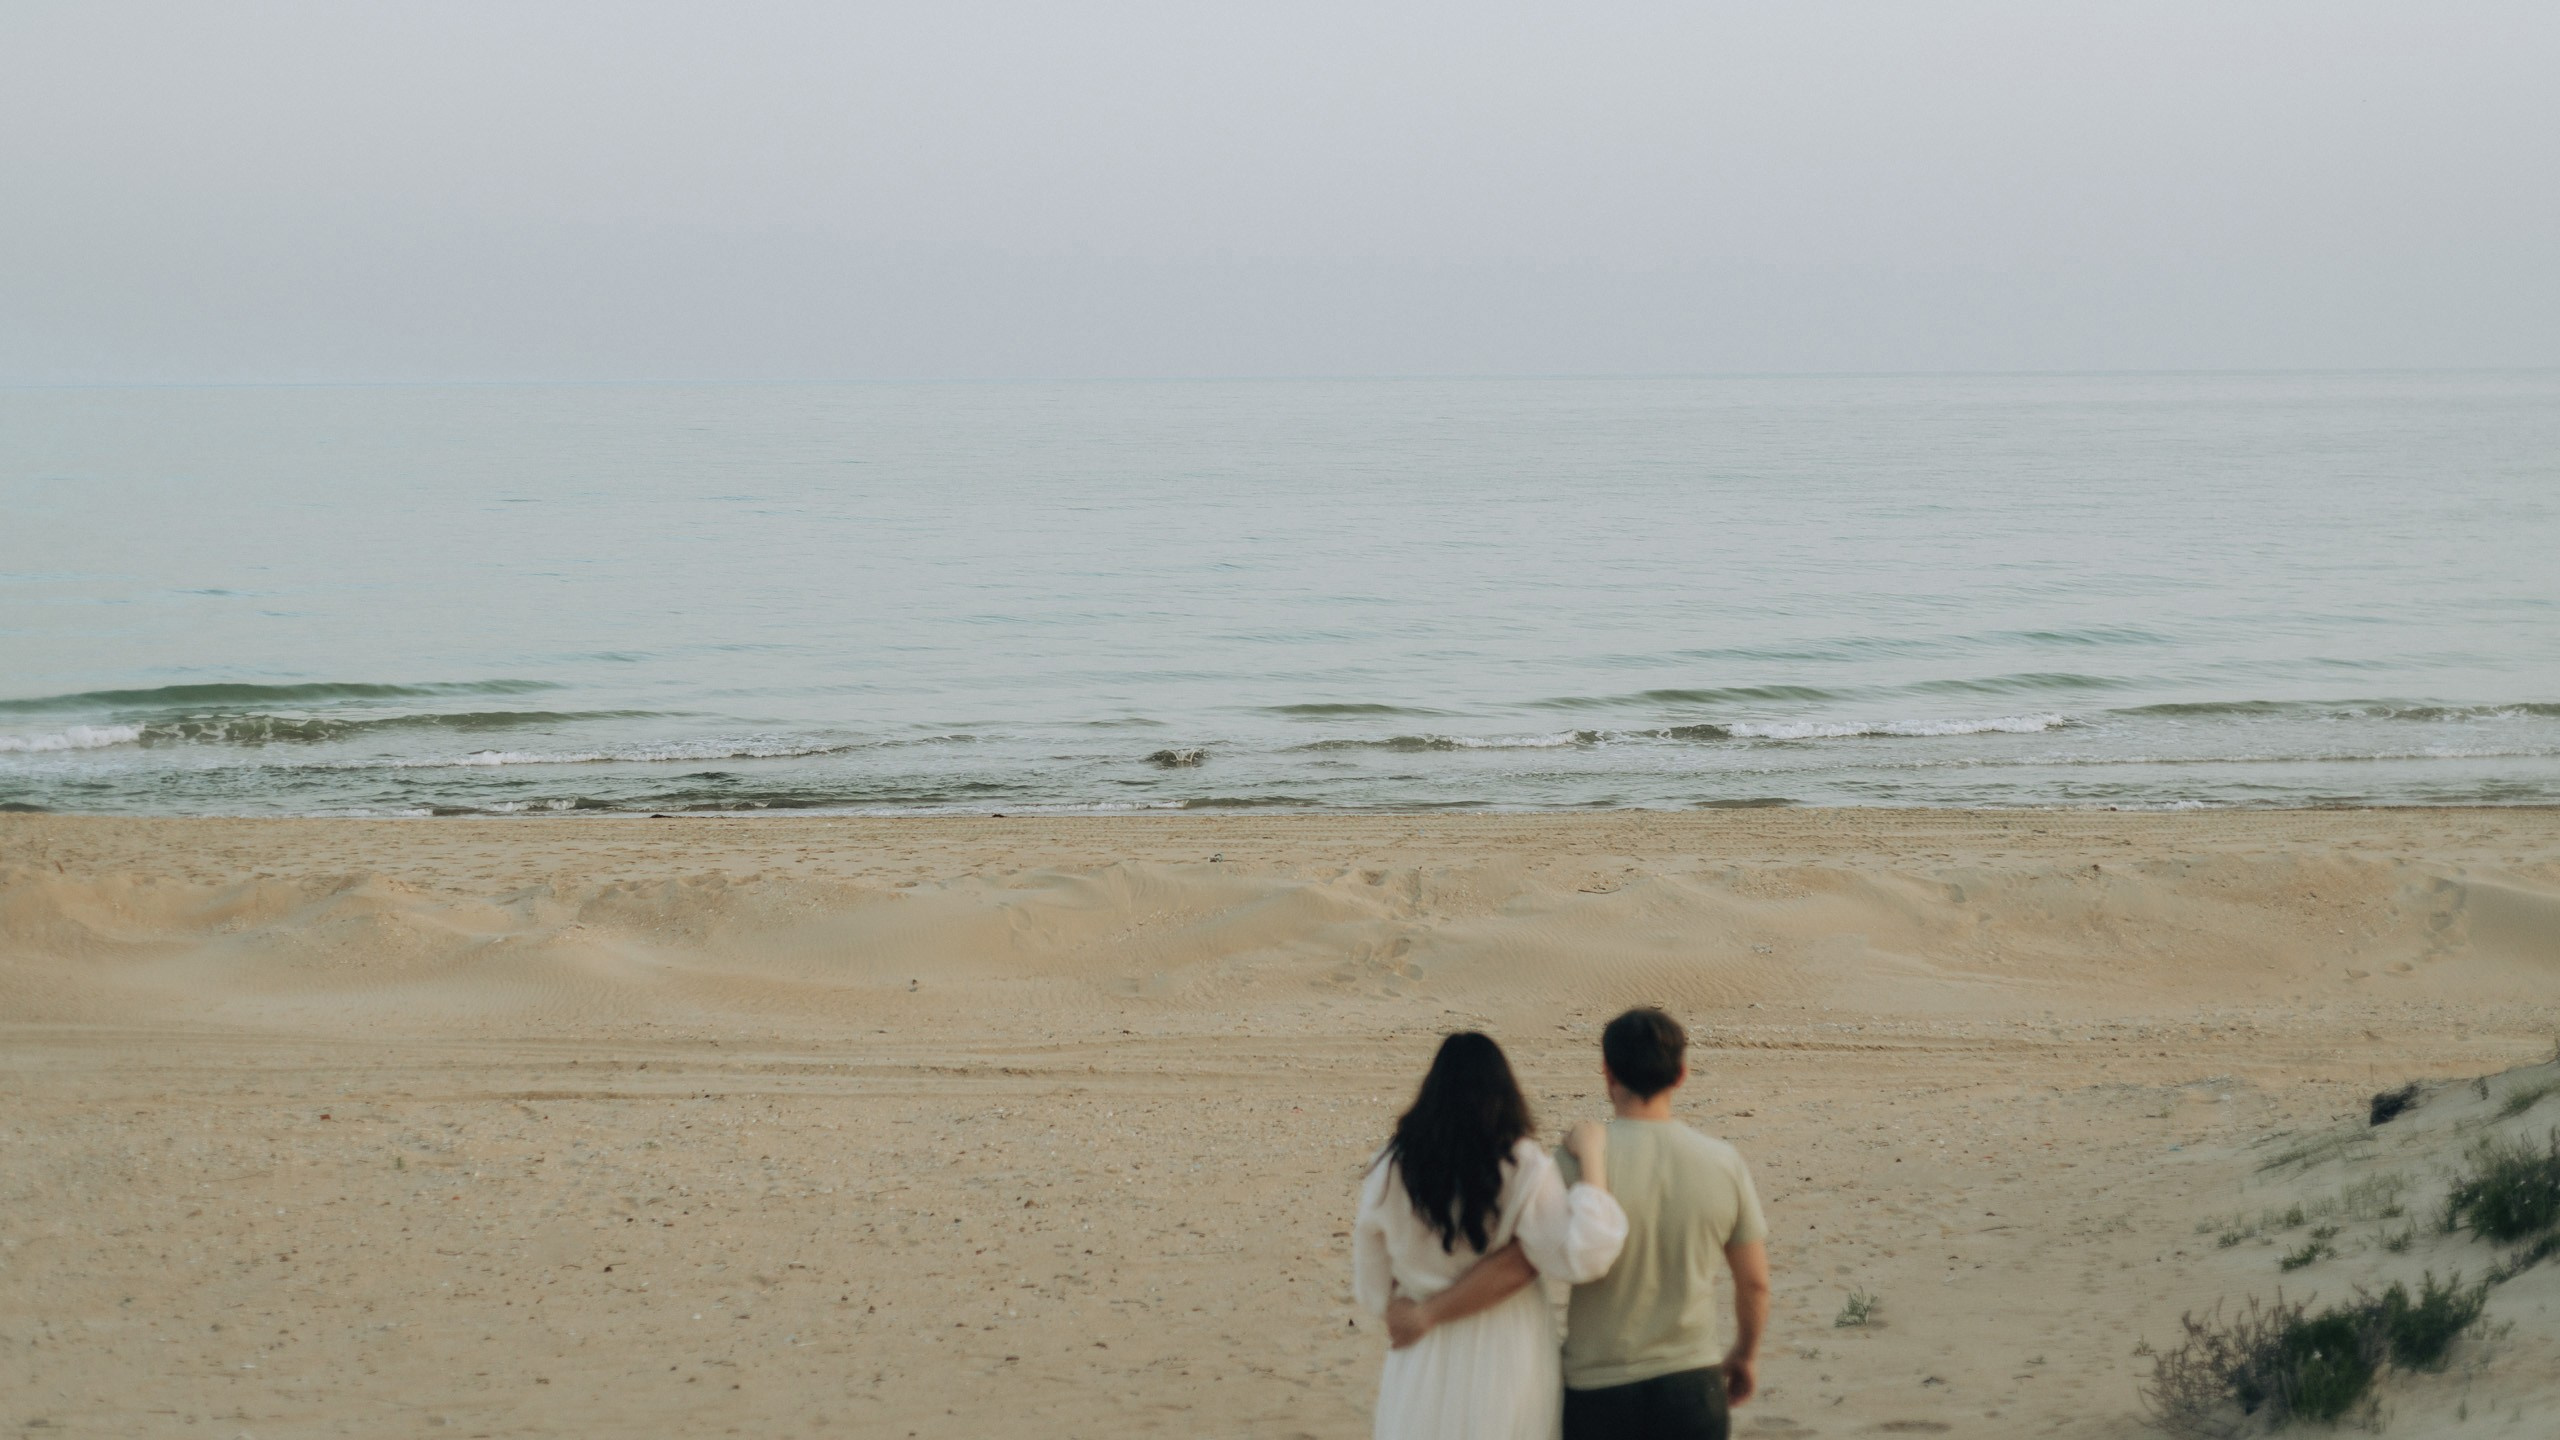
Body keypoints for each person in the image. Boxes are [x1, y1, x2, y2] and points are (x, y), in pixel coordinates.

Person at [1385, 1008, 1769, 1440]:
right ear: (1681, 1074)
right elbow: (1754, 1282)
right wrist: (1745, 1354)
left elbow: (1520, 1262)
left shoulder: (1570, 1162)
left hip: (1598, 1389)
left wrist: (1427, 1313)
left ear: (1607, 1074)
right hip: (1691, 1381)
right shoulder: (1724, 1164)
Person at [1353, 1031, 1629, 1440]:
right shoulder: (1523, 1164)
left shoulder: (1389, 1167)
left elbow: (1373, 1288)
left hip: (1422, 1349)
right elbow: (1579, 1253)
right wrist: (1591, 1161)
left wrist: (1412, 1304)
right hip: (1508, 1346)